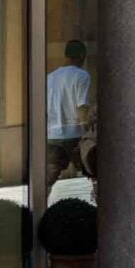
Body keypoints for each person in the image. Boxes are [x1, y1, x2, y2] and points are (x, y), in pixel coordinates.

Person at [46, 39, 91, 193]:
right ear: (81, 56)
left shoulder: (50, 78)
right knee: (94, 173)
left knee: (48, 179)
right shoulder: (81, 76)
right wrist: (86, 133)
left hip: (53, 134)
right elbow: (82, 106)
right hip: (75, 133)